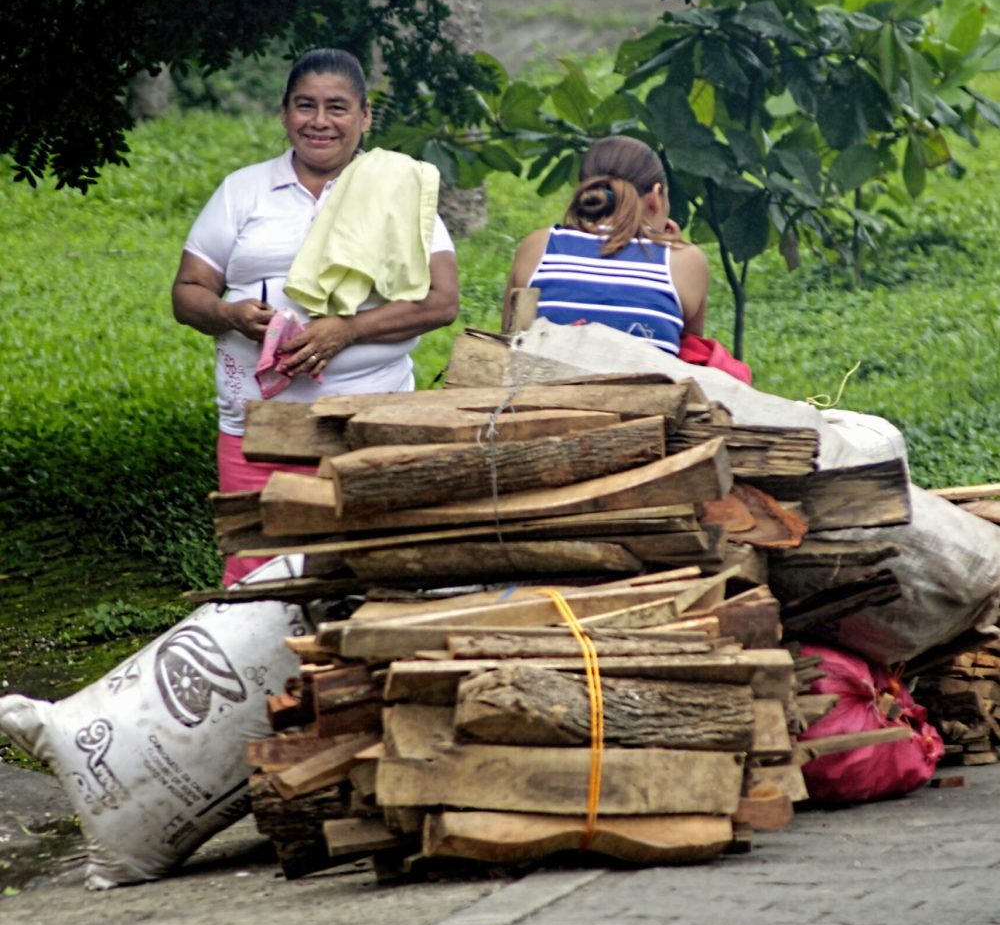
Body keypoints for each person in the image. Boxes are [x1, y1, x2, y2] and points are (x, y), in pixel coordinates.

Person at [172, 48, 459, 586]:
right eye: (306, 106)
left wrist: (347, 331)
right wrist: (230, 314)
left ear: (365, 116)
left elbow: (441, 301)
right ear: (285, 114)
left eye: (337, 107)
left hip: (368, 422)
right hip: (256, 428)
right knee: (258, 576)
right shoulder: (245, 190)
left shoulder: (397, 188)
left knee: (369, 571)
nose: (320, 122)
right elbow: (187, 291)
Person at [503, 135, 709, 355]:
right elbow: (692, 353)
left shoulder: (538, 247)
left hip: (542, 387)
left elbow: (511, 340)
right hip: (648, 389)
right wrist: (674, 247)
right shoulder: (685, 262)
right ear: (656, 196)